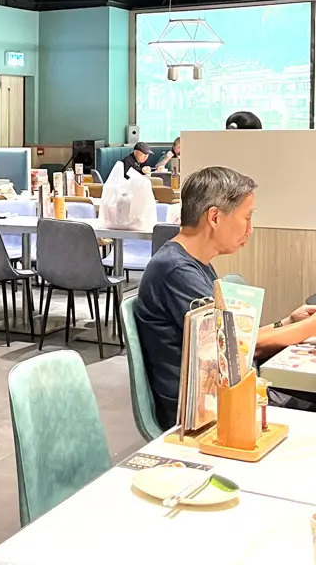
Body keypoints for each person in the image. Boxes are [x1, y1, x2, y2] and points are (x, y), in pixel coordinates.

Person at [133, 166, 316, 429]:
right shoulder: (176, 271)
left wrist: (287, 322)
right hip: (203, 414)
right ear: (215, 217)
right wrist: (310, 327)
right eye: (247, 218)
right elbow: (232, 350)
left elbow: (236, 340)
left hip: (224, 397)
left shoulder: (194, 264)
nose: (250, 230)